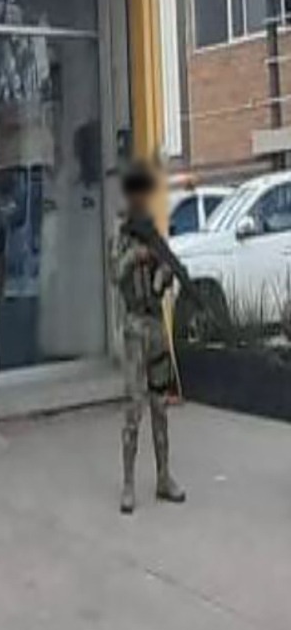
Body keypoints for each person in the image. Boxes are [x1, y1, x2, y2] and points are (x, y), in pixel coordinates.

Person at [112, 160, 186, 515]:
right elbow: (115, 274)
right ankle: (128, 484)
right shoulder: (122, 238)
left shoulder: (155, 234)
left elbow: (163, 282)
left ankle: (163, 477)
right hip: (134, 329)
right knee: (133, 410)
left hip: (156, 326)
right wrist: (135, 256)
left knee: (160, 407)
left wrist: (165, 272)